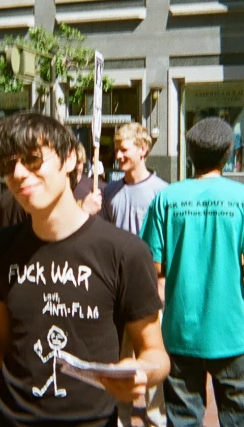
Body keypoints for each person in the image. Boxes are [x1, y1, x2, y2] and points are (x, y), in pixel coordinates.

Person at [0, 112, 170, 427]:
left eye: (33, 159)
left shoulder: (125, 252)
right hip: (6, 418)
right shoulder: (2, 248)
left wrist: (140, 373)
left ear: (68, 159)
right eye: (7, 165)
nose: (18, 174)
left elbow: (156, 354)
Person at [140, 117, 244, 427]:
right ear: (228, 154)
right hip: (233, 332)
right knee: (240, 420)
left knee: (183, 420)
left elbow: (152, 265)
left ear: (190, 155)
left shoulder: (166, 198)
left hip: (181, 330)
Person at [83, 122, 167, 427]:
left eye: (124, 148)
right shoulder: (110, 191)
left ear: (142, 150)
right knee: (120, 357)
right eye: (116, 149)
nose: (118, 155)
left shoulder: (162, 192)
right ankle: (120, 418)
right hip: (117, 288)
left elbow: (168, 246)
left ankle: (156, 418)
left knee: (151, 353)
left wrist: (162, 283)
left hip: (149, 288)